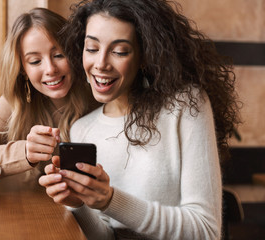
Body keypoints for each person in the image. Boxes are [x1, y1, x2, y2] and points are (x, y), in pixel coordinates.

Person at [39, 0, 241, 239]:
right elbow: (105, 236)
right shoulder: (82, 129)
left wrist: (111, 200)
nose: (101, 63)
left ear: (145, 55)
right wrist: (78, 205)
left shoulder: (185, 105)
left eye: (119, 51)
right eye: (92, 48)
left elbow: (206, 231)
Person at [0, 8, 97, 177]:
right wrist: (25, 152)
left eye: (59, 55)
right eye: (35, 61)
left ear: (74, 52)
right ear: (22, 69)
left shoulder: (99, 94)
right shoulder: (16, 101)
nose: (50, 69)